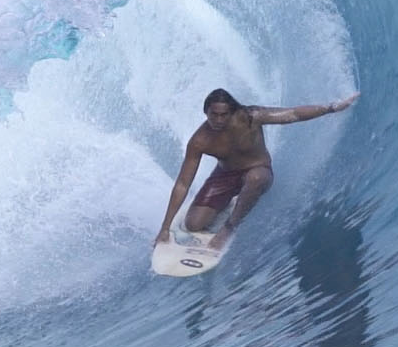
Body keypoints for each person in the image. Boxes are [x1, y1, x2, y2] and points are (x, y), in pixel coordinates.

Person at [154, 87, 360, 247]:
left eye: (223, 114)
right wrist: (164, 228)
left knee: (255, 179)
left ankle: (229, 227)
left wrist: (331, 107)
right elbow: (182, 184)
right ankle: (230, 199)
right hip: (224, 176)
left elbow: (294, 114)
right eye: (213, 114)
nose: (217, 120)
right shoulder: (200, 141)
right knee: (193, 225)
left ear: (232, 112)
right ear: (206, 112)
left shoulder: (251, 117)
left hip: (258, 171)